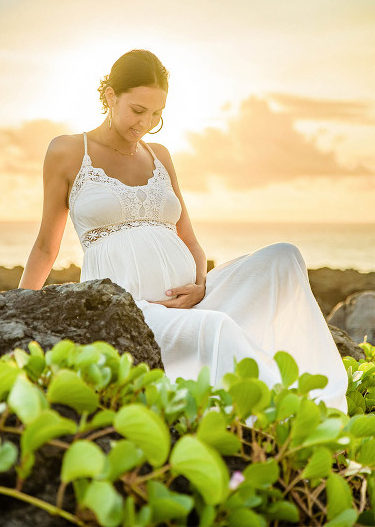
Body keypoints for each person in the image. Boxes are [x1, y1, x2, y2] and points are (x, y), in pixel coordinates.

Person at [19, 49, 348, 411]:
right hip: (130, 310)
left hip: (193, 301)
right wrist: (16, 314)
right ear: (111, 96)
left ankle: (322, 399)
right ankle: (290, 418)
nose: (146, 123)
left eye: (157, 114)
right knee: (216, 328)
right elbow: (46, 247)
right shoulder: (67, 151)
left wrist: (201, 286)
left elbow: (189, 239)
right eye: (138, 111)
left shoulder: (159, 154)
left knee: (284, 256)